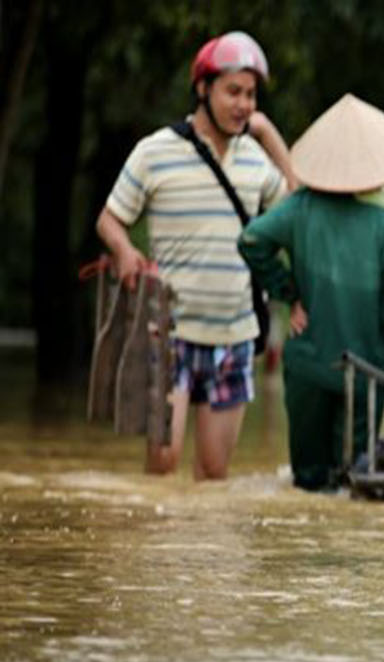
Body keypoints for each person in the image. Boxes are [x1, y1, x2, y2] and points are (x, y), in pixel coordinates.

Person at [95, 31, 293, 480]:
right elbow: (109, 219)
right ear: (203, 89)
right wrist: (125, 250)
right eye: (233, 92)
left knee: (214, 476)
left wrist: (269, 133)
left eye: (251, 94)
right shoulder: (155, 152)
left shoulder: (255, 160)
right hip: (170, 334)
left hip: (235, 335)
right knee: (162, 469)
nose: (243, 104)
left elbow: (298, 211)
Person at [238, 94, 384, 490]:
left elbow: (251, 240)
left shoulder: (301, 207)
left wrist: (289, 292)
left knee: (308, 484)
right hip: (364, 374)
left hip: (307, 364)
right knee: (351, 483)